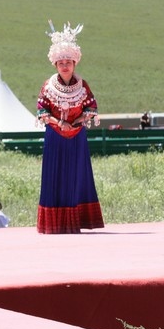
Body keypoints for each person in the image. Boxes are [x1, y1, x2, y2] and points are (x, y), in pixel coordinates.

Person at [35, 21, 104, 234]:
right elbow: (41, 111)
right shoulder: (48, 86)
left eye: (68, 62)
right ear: (55, 64)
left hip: (77, 136)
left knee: (76, 176)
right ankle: (54, 224)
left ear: (74, 63)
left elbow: (91, 107)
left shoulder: (83, 86)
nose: (65, 66)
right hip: (55, 137)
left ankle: (75, 221)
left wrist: (79, 120)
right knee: (54, 176)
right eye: (61, 62)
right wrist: (59, 123)